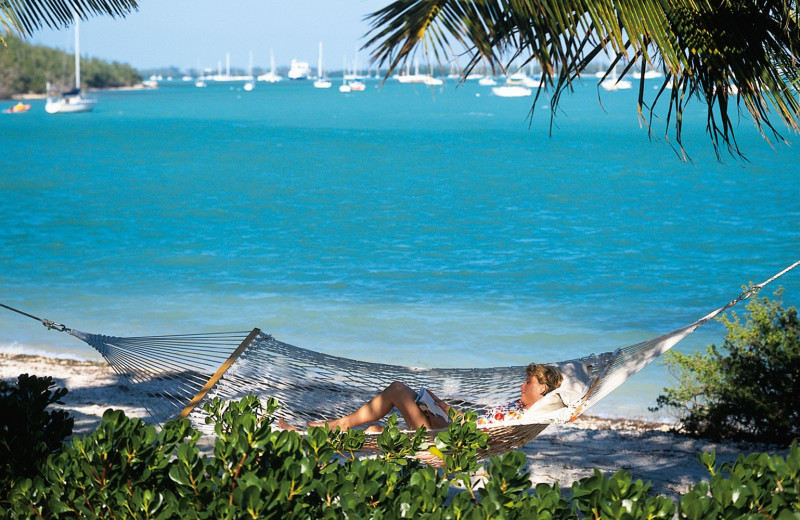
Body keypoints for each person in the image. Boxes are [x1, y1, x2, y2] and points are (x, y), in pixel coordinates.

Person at [277, 363, 563, 432]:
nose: (522, 386)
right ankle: (317, 431)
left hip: (446, 440)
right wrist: (440, 405)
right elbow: (473, 420)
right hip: (447, 426)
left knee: (399, 390)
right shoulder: (515, 406)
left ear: (543, 390)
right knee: (376, 431)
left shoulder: (525, 415)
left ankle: (331, 426)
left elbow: (479, 433)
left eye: (529, 382)